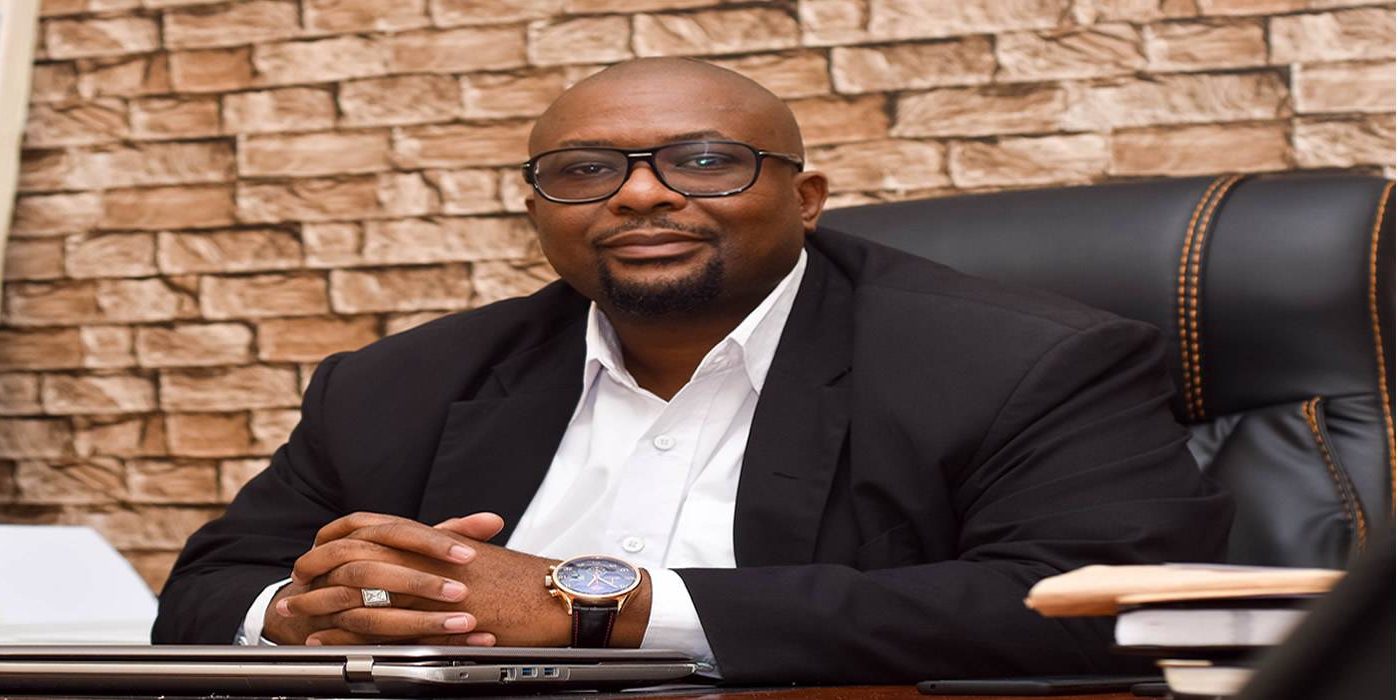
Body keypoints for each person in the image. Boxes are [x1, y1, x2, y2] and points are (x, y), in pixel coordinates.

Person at [152, 58, 1232, 683]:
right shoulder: (397, 382)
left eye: (705, 161)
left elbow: (1109, 608)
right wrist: (302, 614)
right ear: (538, 213)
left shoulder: (1026, 361)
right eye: (584, 170)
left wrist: (609, 607)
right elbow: (203, 595)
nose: (639, 194)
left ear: (805, 199)